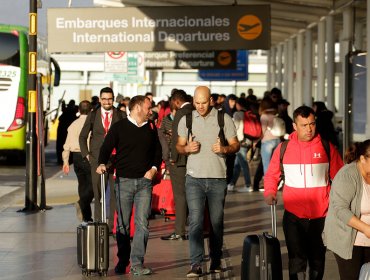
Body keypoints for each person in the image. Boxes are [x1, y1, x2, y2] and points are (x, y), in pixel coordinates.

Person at [264, 105, 344, 280]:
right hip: (293, 216)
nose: (309, 129)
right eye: (304, 125)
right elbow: (271, 175)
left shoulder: (326, 148)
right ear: (294, 126)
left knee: (317, 260)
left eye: (312, 124)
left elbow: (340, 179)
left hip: (321, 216)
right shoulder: (283, 149)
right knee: (296, 260)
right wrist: (270, 192)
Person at [176, 86, 240, 277]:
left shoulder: (223, 119)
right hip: (194, 178)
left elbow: (236, 144)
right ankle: (195, 263)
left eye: (204, 102)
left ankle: (215, 260)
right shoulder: (186, 119)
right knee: (195, 221)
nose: (200, 106)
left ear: (210, 100)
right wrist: (187, 148)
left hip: (217, 179)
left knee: (216, 222)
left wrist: (225, 149)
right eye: (197, 103)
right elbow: (179, 147)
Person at [96, 95, 162, 276]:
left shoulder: (150, 127)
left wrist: (154, 169)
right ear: (138, 108)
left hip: (144, 183)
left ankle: (137, 263)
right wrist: (101, 163)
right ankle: (122, 260)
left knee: (142, 224)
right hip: (123, 182)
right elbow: (106, 148)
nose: (151, 111)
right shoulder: (119, 127)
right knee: (123, 225)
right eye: (149, 108)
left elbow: (158, 151)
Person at [79, 87, 124, 231]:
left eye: (109, 99)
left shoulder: (121, 115)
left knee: (114, 195)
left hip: (116, 160)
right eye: (104, 99)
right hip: (96, 161)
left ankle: (112, 226)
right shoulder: (93, 115)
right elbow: (82, 137)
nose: (107, 102)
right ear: (100, 99)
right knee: (98, 194)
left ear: (114, 98)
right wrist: (87, 155)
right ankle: (99, 224)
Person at [324, 141, 370, 280]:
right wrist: (366, 228)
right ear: (362, 159)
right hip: (348, 239)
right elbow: (340, 209)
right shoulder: (347, 175)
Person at [161, 89, 193, 241]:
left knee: (180, 196)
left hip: (180, 160)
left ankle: (179, 231)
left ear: (176, 101)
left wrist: (172, 158)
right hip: (194, 159)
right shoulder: (195, 110)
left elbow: (176, 139)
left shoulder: (180, 113)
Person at [62, 100, 94, 222]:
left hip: (75, 157)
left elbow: (66, 145)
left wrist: (65, 162)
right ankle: (82, 202)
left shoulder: (72, 125)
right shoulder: (92, 123)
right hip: (88, 155)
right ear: (91, 110)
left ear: (78, 110)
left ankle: (86, 217)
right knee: (92, 186)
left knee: (82, 185)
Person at [228, 97, 252, 192]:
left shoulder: (237, 114)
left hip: (240, 141)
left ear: (239, 105)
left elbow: (235, 127)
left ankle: (248, 185)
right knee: (237, 164)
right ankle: (231, 184)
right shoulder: (249, 113)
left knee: (243, 164)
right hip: (248, 141)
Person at [259, 97, 281, 175]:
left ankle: (268, 184)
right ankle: (277, 182)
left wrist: (258, 139)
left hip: (267, 141)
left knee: (266, 164)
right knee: (276, 163)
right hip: (277, 139)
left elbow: (263, 130)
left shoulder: (264, 116)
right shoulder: (275, 115)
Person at [56, 99, 78, 165]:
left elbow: (64, 109)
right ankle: (68, 160)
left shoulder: (65, 113)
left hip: (62, 132)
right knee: (68, 147)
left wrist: (63, 103)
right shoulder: (72, 113)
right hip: (67, 132)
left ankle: (61, 160)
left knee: (61, 147)